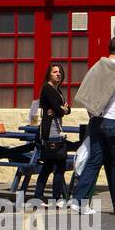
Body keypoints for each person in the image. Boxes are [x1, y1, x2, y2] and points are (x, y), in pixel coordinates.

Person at [70, 35, 115, 216]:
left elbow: (87, 92)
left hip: (96, 121)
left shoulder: (97, 67)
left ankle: (79, 201)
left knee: (93, 162)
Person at [33, 63, 72, 205]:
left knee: (49, 166)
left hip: (58, 130)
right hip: (50, 131)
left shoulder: (58, 90)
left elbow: (68, 109)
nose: (58, 74)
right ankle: (55, 198)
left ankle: (39, 197)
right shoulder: (47, 89)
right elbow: (58, 108)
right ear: (49, 74)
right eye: (55, 72)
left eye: (60, 72)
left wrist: (62, 109)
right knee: (58, 165)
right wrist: (61, 109)